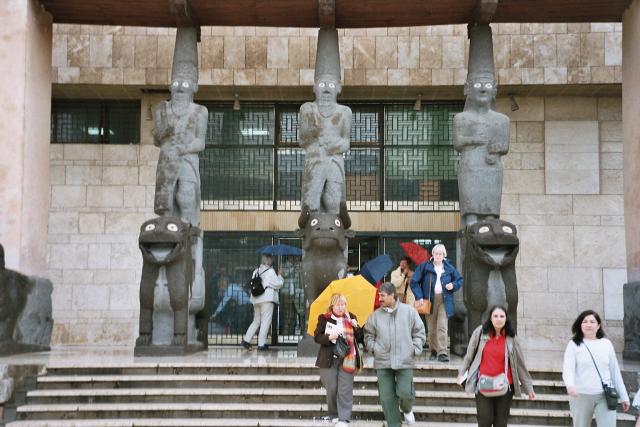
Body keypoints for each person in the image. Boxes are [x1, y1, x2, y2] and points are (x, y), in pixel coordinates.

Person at [298, 28, 352, 220]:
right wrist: (314, 133)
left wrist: (333, 146)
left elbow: (346, 142)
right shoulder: (307, 109)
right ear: (314, 88)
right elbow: (302, 140)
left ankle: (337, 230)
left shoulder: (344, 112)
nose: (326, 89)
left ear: (339, 88)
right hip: (313, 161)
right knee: (312, 203)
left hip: (334, 163)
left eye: (330, 85)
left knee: (333, 203)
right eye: (322, 85)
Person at [457, 305, 536, 427]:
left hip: (505, 386)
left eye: (502, 316)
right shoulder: (480, 332)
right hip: (483, 384)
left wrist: (529, 388)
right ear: (490, 318)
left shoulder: (511, 338)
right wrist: (461, 373)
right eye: (495, 316)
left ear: (506, 318)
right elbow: (469, 356)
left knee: (501, 423)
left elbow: (520, 365)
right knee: (484, 420)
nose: (498, 319)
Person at [364, 282, 426, 427]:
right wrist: (374, 348)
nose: (380, 298)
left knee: (405, 392)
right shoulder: (375, 316)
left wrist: (415, 349)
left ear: (392, 296)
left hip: (405, 359)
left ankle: (407, 409)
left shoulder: (409, 312)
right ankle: (394, 424)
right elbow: (368, 335)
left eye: (383, 295)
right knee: (386, 397)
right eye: (379, 295)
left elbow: (419, 332)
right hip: (382, 361)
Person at [562, 310, 630, 427]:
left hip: (605, 395)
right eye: (585, 322)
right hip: (580, 395)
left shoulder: (606, 344)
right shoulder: (574, 344)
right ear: (580, 325)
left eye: (592, 322)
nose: (589, 324)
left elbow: (615, 372)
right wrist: (570, 385)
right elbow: (568, 369)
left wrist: (624, 396)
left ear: (598, 326)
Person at [314, 293, 363, 427]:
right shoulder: (324, 318)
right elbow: (317, 337)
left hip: (348, 358)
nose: (341, 307)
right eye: (338, 305)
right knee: (332, 388)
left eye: (343, 304)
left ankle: (344, 419)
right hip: (329, 358)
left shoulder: (351, 317)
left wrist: (356, 326)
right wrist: (329, 337)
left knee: (345, 388)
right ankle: (334, 414)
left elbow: (359, 338)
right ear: (332, 305)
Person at [410, 243, 463, 362]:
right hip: (429, 299)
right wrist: (419, 296)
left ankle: (442, 352)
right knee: (432, 327)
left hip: (445, 299)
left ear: (444, 255)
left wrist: (453, 285)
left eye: (440, 253)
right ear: (432, 254)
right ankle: (433, 350)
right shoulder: (424, 267)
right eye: (436, 253)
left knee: (442, 326)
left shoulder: (449, 268)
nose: (438, 255)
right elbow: (414, 282)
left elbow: (459, 280)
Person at [241, 254, 284, 351]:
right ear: (269, 260)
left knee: (256, 321)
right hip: (267, 299)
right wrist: (280, 275)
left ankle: (246, 341)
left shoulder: (256, 271)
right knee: (265, 321)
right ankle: (261, 345)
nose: (272, 261)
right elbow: (278, 284)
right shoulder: (270, 271)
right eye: (271, 259)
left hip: (256, 299)